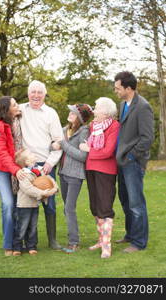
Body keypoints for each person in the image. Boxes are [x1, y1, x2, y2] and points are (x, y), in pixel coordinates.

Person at [0, 80, 63, 250]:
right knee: (22, 203)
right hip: (24, 164)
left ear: (45, 94)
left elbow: (59, 141)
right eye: (33, 92)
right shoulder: (20, 109)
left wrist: (50, 163)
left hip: (45, 164)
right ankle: (23, 242)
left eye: (39, 92)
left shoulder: (51, 114)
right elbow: (0, 116)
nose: (36, 95)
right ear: (28, 94)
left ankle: (52, 240)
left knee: (49, 202)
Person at [114, 71, 154, 253]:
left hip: (133, 162)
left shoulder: (143, 107)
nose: (116, 91)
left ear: (128, 88)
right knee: (125, 200)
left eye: (118, 88)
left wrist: (131, 156)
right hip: (121, 161)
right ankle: (130, 235)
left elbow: (147, 138)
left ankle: (138, 242)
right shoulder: (122, 104)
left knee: (136, 203)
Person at [80, 97, 120, 258]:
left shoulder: (114, 126)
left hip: (106, 170)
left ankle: (106, 245)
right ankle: (101, 239)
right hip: (90, 168)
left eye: (96, 108)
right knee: (95, 207)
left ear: (105, 111)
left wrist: (89, 149)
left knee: (105, 208)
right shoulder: (93, 126)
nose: (94, 111)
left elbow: (108, 151)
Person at [52, 104, 93, 253]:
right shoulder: (64, 130)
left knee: (69, 208)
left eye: (73, 113)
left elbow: (82, 156)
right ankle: (73, 236)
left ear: (80, 118)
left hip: (75, 174)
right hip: (62, 173)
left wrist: (63, 144)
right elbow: (54, 145)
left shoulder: (84, 131)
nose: (70, 114)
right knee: (66, 208)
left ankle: (73, 241)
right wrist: (54, 145)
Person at [0, 96, 25, 256]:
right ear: (6, 109)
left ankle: (17, 244)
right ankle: (7, 244)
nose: (18, 106)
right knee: (8, 204)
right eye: (15, 104)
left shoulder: (18, 118)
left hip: (17, 167)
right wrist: (15, 170)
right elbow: (2, 154)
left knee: (17, 206)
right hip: (2, 170)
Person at [13, 148, 58, 256]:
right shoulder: (24, 174)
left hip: (34, 204)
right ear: (27, 162)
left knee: (33, 226)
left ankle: (31, 246)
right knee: (22, 226)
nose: (33, 154)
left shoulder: (39, 169)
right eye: (30, 154)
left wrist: (55, 188)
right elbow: (29, 189)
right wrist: (43, 193)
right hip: (24, 205)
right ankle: (17, 247)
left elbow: (49, 179)